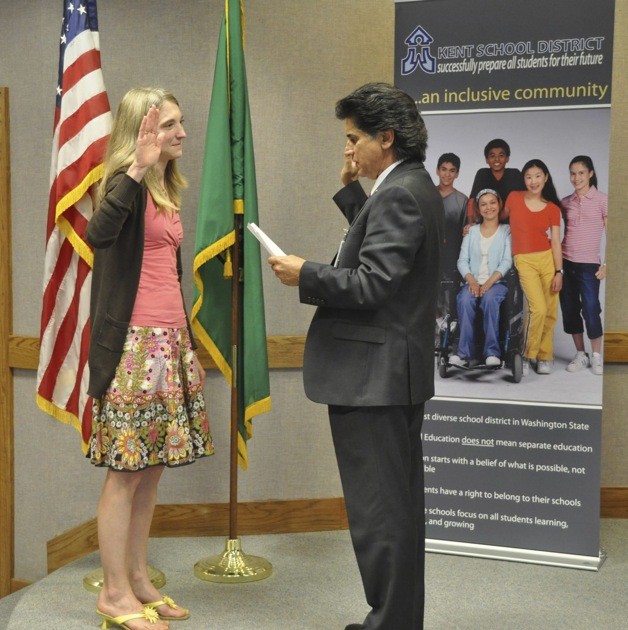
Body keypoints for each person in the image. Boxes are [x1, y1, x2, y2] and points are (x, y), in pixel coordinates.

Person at [268, 82, 444, 630]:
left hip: (375, 379)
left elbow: (372, 284)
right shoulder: (410, 187)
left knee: (380, 516)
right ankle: (395, 620)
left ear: (384, 138)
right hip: (390, 374)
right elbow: (383, 247)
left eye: (354, 139)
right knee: (394, 509)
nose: (348, 150)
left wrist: (305, 273)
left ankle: (389, 624)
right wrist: (353, 194)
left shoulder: (399, 194)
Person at [86, 88, 214, 630]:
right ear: (142, 133)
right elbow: (98, 235)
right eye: (170, 126)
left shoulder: (166, 186)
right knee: (125, 472)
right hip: (133, 347)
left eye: (181, 123)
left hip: (168, 341)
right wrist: (136, 169)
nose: (182, 133)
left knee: (152, 469)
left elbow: (170, 276)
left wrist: (188, 346)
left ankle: (139, 579)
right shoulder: (125, 184)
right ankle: (113, 593)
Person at [504, 159, 563, 376]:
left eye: (538, 176)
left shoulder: (553, 208)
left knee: (549, 311)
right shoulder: (514, 198)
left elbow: (556, 242)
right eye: (529, 176)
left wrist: (559, 271)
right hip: (524, 259)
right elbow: (497, 219)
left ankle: (545, 355)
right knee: (536, 308)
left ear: (545, 177)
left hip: (548, 260)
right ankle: (527, 354)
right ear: (524, 179)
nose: (533, 181)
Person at [449, 189, 512, 367]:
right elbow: (462, 261)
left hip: (497, 283)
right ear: (478, 208)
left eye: (492, 202)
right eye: (483, 204)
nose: (488, 207)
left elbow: (507, 261)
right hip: (473, 282)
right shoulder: (471, 232)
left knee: (490, 299)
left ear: (499, 204)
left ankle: (492, 352)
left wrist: (489, 283)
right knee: (464, 300)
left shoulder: (506, 231)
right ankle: (463, 354)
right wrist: (473, 282)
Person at [560, 155, 608, 375]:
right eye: (572, 173)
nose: (576, 177)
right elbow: (553, 230)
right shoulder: (565, 202)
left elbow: (614, 234)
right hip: (566, 263)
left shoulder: (602, 200)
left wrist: (607, 264)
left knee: (590, 309)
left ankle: (596, 356)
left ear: (590, 173)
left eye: (580, 172)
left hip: (589, 265)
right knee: (570, 309)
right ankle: (581, 353)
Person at [435, 153, 468, 320]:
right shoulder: (427, 195)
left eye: (452, 170)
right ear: (437, 171)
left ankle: (445, 343)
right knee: (429, 301)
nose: (447, 174)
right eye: (444, 169)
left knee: (448, 305)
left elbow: (465, 234)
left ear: (457, 173)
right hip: (429, 257)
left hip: (451, 260)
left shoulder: (462, 201)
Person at [466, 138, 525, 226]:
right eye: (492, 156)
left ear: (507, 158)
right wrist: (470, 224)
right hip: (486, 224)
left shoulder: (514, 174)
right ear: (486, 159)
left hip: (511, 226)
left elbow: (525, 200)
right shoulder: (482, 174)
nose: (497, 159)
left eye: (501, 155)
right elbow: (472, 201)